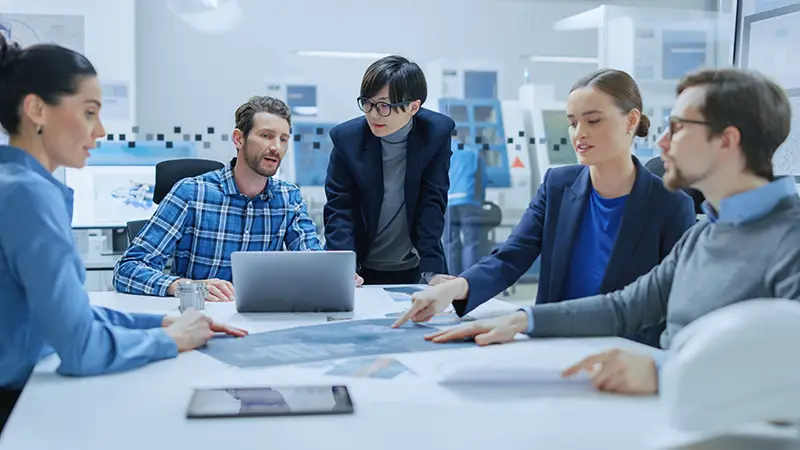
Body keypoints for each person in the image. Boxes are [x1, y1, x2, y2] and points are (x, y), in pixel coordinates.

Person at [422, 67, 800, 395]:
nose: (663, 142)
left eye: (679, 128)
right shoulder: (706, 235)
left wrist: (661, 372)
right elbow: (626, 305)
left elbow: (786, 369)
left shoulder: (789, 240)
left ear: (727, 141)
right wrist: (524, 319)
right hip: (671, 407)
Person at [0, 36, 246, 432]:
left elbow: (62, 315)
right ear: (36, 109)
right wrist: (173, 341)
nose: (99, 131)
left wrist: (157, 325)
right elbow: (79, 348)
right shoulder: (28, 195)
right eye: (89, 112)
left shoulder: (14, 184)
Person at [393, 69, 696, 348]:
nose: (579, 133)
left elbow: (672, 304)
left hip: (622, 356)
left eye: (593, 121)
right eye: (573, 122)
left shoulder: (669, 204)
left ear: (631, 120)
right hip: (553, 345)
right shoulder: (557, 186)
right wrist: (454, 288)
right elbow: (511, 257)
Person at [113, 96, 363, 301]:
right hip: (200, 320)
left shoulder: (288, 198)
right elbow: (128, 269)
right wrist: (185, 286)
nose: (276, 146)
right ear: (238, 139)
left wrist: (334, 275)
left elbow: (312, 258)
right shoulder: (190, 193)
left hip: (260, 322)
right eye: (266, 135)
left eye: (283, 139)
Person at [324, 55, 456, 285]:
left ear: (413, 107)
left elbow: (432, 203)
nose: (373, 114)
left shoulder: (435, 134)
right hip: (357, 268)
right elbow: (339, 210)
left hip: (413, 265)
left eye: (384, 105)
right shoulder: (347, 139)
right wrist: (342, 266)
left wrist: (432, 270)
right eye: (367, 103)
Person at [445, 146, 489, 275]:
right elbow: (482, 180)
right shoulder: (474, 153)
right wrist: (480, 200)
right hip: (469, 201)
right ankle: (469, 278)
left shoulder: (443, 151)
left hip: (447, 201)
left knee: (449, 242)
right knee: (471, 242)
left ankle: (451, 278)